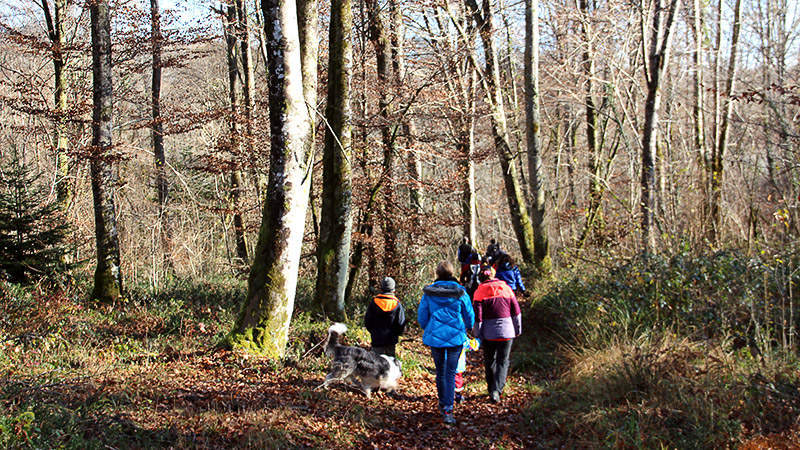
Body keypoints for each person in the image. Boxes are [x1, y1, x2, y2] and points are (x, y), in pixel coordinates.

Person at [418, 261, 475, 425]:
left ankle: (443, 403)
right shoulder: (460, 292)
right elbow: (469, 314)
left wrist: (427, 327)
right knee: (450, 372)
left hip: (435, 337)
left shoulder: (429, 293)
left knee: (440, 371)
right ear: (451, 273)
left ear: (437, 273)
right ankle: (448, 409)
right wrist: (468, 327)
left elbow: (422, 315)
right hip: (455, 337)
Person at [472, 267, 522, 403]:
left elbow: (478, 317)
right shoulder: (506, 289)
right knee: (503, 361)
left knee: (489, 361)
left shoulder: (479, 292)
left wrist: (477, 334)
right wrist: (517, 330)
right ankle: (497, 390)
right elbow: (516, 312)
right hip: (507, 332)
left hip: (489, 334)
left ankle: (491, 389)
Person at [365, 277, 406, 357]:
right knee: (390, 366)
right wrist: (397, 335)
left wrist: (373, 332)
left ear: (381, 288)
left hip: (376, 340)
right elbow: (401, 324)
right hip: (391, 341)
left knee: (375, 365)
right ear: (393, 290)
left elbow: (367, 322)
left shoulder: (374, 302)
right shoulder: (397, 304)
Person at [454, 337, 480, 404]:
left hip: (445, 364)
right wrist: (479, 340)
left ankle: (446, 395)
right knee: (458, 380)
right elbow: (472, 345)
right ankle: (458, 395)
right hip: (458, 366)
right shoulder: (461, 337)